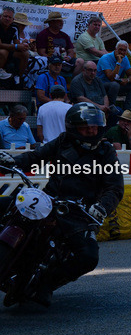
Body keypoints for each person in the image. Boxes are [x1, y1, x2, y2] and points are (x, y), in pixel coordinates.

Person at [0, 103, 123, 305]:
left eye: (94, 127)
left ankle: (45, 283)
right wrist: (14, 162)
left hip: (80, 211)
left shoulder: (105, 151)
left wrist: (102, 207)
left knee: (88, 256)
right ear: (73, 128)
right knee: (5, 205)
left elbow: (115, 187)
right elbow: (36, 156)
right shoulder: (63, 141)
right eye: (86, 127)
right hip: (48, 200)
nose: (92, 131)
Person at [36, 11, 83, 76]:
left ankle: (73, 82)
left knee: (81, 61)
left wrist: (69, 57)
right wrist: (53, 59)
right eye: (59, 21)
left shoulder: (65, 36)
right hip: (51, 61)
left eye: (61, 21)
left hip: (64, 61)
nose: (62, 23)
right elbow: (41, 52)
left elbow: (71, 51)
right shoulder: (43, 34)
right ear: (51, 22)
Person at [97, 41, 131, 111]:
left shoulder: (125, 59)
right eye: (120, 49)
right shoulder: (105, 58)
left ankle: (127, 110)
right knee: (114, 85)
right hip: (102, 85)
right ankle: (111, 107)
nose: (122, 52)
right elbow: (110, 77)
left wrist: (126, 80)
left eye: (124, 50)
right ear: (115, 49)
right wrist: (118, 62)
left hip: (116, 84)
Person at [0, 6, 29, 83]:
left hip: (8, 50)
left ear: (13, 19)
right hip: (2, 50)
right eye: (5, 16)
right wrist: (16, 46)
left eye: (10, 17)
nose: (7, 19)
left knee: (25, 54)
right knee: (3, 52)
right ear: (1, 16)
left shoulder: (14, 27)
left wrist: (23, 46)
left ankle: (18, 77)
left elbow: (17, 44)